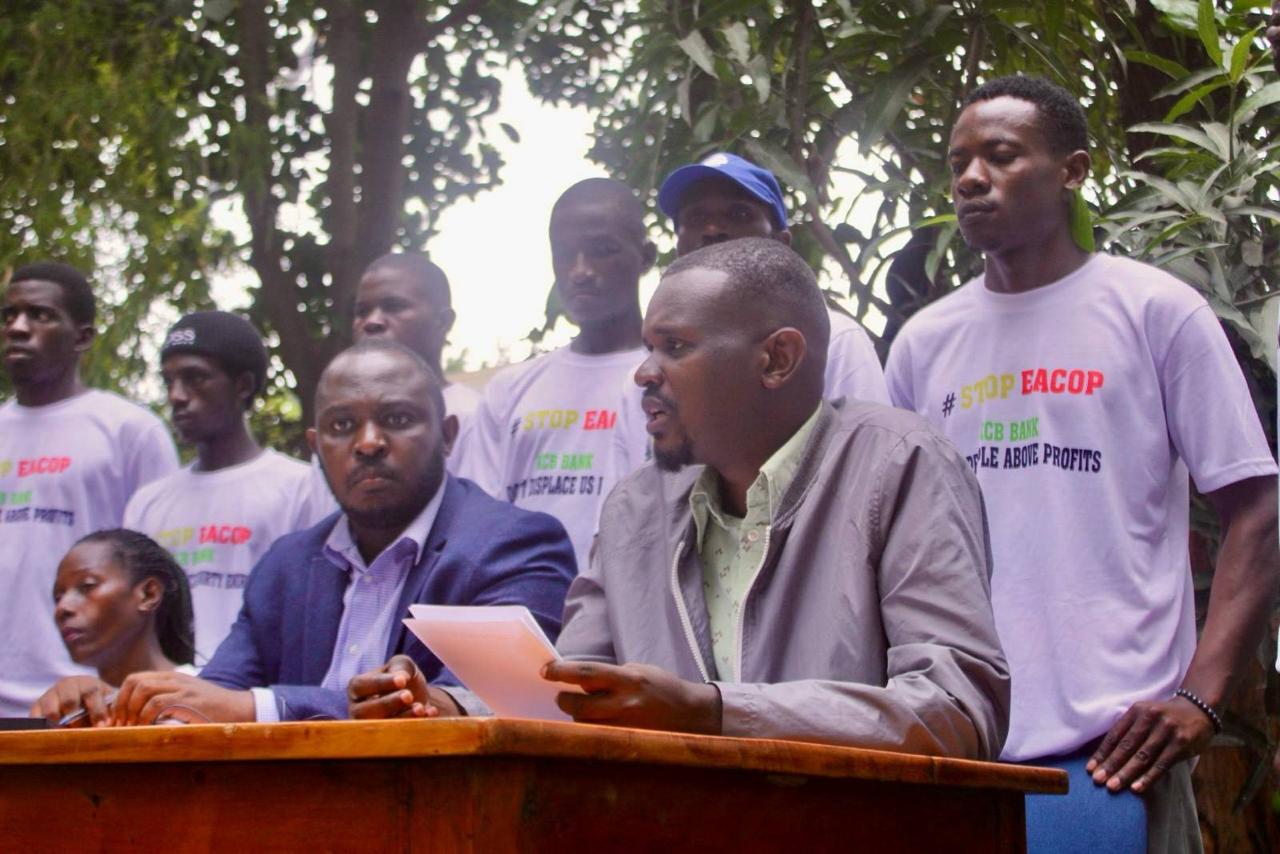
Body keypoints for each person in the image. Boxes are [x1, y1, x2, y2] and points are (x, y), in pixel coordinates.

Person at [884, 75, 1279, 851]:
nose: (971, 178)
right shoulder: (922, 346)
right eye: (958, 162)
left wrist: (1202, 698)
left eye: (1001, 156)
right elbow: (889, 536)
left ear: (1073, 170)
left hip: (1115, 757)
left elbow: (1257, 509)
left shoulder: (1155, 312)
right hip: (959, 748)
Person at [529, 237, 1006, 757]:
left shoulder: (898, 463)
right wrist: (470, 701)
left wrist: (716, 713)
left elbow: (956, 711)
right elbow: (567, 698)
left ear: (778, 359)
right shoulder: (635, 506)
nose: (644, 373)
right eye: (649, 348)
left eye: (676, 347)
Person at [99, 340, 575, 724]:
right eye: (342, 425)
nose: (368, 443)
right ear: (316, 446)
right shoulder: (285, 565)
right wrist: (117, 702)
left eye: (397, 419)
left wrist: (262, 707)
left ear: (448, 435)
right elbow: (218, 693)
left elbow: (484, 704)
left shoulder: (513, 545)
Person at [0, 261, 178, 717]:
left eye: (39, 315)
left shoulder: (129, 431)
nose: (17, 327)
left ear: (82, 337)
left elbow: (160, 574)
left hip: (86, 701)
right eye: (9, 315)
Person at [456, 178, 656, 571]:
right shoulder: (510, 390)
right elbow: (478, 521)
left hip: (633, 603)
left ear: (645, 257)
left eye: (602, 250)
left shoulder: (669, 380)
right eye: (565, 254)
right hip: (518, 600)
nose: (580, 271)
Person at [123, 311, 326, 666]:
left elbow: (311, 610)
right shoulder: (147, 503)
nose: (177, 395)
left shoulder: (300, 488)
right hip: (160, 694)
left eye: (195, 378)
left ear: (243, 385)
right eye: (169, 380)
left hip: (253, 694)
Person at [656, 152, 890, 406]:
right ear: (678, 247)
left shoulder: (834, 341)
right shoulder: (654, 362)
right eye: (696, 218)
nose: (712, 230)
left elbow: (869, 431)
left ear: (781, 243)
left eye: (739, 214)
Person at [29, 530, 195, 726]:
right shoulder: (70, 708)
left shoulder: (205, 696)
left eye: (87, 586)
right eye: (58, 597)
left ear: (148, 594)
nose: (62, 608)